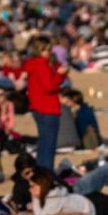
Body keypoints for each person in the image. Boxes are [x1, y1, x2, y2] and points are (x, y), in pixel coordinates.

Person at [22, 35, 68, 169]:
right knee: (48, 147)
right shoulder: (41, 65)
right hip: (47, 109)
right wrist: (59, 74)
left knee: (43, 145)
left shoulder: (34, 64)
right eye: (44, 50)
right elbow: (49, 87)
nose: (47, 52)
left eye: (48, 49)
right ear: (38, 50)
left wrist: (60, 73)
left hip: (39, 108)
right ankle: (46, 174)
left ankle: (41, 172)